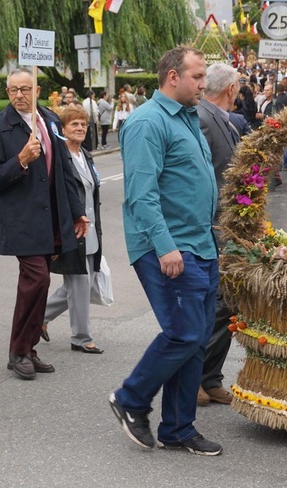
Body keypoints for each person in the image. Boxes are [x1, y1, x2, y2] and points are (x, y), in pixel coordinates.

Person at [108, 46, 222, 456]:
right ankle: (131, 398)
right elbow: (142, 195)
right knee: (184, 332)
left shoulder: (190, 117)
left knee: (196, 339)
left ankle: (178, 428)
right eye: (197, 76)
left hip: (201, 244)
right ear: (173, 77)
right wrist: (166, 247)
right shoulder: (145, 123)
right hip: (169, 248)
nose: (204, 84)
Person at [0, 68, 89, 380]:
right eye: (13, 90)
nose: (19, 96)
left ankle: (28, 348)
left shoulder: (51, 120)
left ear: (37, 90)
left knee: (38, 285)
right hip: (20, 219)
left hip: (51, 217)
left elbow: (65, 169)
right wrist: (22, 159)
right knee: (37, 279)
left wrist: (76, 211)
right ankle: (18, 350)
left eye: (25, 89)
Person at [195, 63, 240, 407]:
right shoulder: (202, 117)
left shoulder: (221, 118)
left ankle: (211, 378)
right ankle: (195, 377)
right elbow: (199, 175)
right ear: (232, 89)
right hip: (213, 224)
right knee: (216, 303)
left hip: (229, 223)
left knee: (228, 303)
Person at [41, 106, 104, 354]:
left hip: (90, 230)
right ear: (63, 129)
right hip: (71, 231)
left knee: (79, 286)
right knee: (79, 283)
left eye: (83, 125)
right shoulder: (60, 158)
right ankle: (81, 337)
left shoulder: (85, 155)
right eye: (74, 125)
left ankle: (38, 319)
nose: (79, 129)